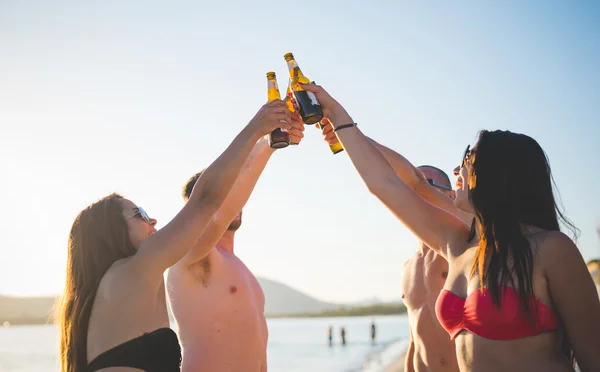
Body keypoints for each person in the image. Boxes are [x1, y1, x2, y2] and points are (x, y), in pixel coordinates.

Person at [302, 82, 600, 372]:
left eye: (468, 158)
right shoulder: (456, 244)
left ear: (497, 174)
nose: (459, 168)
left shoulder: (551, 249)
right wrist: (337, 117)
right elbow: (384, 183)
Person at [56, 100, 293, 372]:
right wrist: (256, 129)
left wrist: (267, 145)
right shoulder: (130, 272)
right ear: (111, 232)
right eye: (139, 214)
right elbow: (206, 203)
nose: (153, 219)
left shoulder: (116, 291)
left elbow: (220, 212)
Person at [318, 127, 469, 372]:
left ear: (451, 195)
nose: (416, 194)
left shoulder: (459, 247)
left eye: (431, 186)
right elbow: (415, 338)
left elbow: (412, 180)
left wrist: (350, 135)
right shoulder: (408, 267)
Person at [165, 113, 304, 371]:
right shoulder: (190, 257)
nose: (234, 198)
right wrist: (266, 144)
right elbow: (218, 213)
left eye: (235, 189)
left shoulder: (238, 266)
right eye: (224, 193)